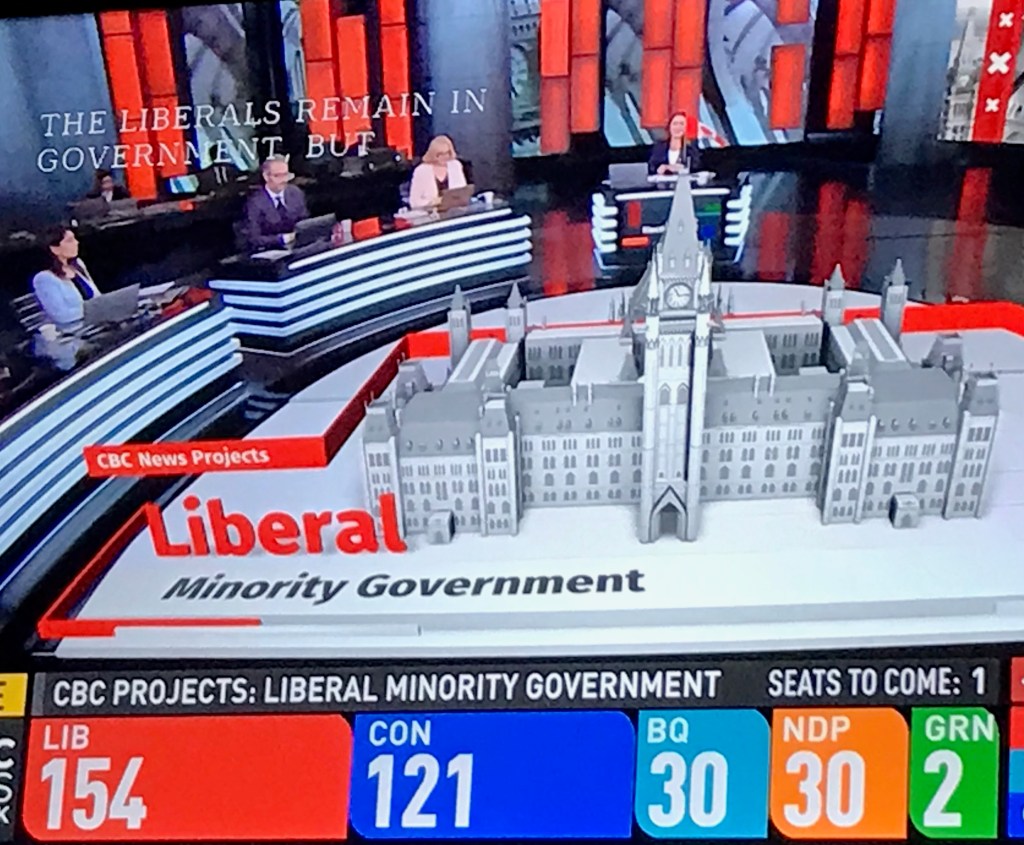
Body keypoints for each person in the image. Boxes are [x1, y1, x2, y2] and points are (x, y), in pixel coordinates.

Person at [31, 226, 100, 328]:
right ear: (55, 249)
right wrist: (93, 309)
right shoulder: (44, 279)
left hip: (96, 323)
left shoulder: (78, 265)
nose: (76, 242)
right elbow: (61, 315)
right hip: (74, 330)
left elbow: (97, 296)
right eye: (70, 240)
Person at [242, 155, 309, 251]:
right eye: (278, 176)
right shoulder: (254, 203)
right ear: (266, 176)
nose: (283, 180)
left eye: (285, 175)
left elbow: (306, 223)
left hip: (298, 248)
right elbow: (253, 239)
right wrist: (282, 239)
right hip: (268, 252)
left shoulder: (296, 193)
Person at [409, 135, 468, 210]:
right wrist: (434, 202)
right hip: (429, 214)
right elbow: (414, 202)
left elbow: (463, 193)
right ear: (433, 154)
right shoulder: (421, 171)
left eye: (447, 153)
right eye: (440, 154)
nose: (444, 157)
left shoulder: (455, 165)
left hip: (455, 212)